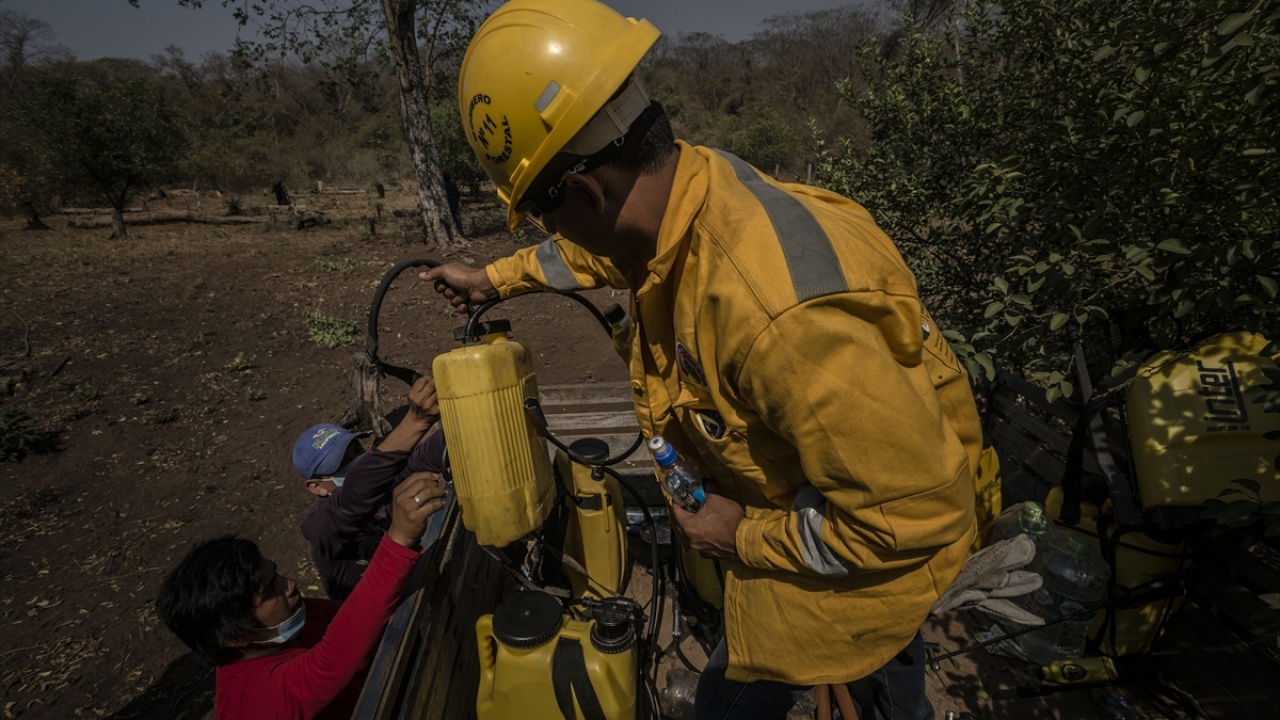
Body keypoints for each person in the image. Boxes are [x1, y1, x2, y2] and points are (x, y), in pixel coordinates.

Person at [421, 1, 982, 719]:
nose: (553, 233)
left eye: (543, 212)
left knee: (783, 697)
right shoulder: (690, 192)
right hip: (817, 509)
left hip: (862, 570)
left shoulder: (776, 315)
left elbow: (910, 521)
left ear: (588, 189)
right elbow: (588, 251)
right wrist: (493, 278)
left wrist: (737, 533)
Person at [155, 472, 447, 720]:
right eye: (270, 590)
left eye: (276, 574)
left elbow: (354, 622)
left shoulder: (292, 615)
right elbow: (331, 660)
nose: (290, 584)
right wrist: (398, 541)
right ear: (237, 637)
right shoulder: (255, 702)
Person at [294, 375, 445, 600]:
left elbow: (420, 459)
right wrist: (415, 421)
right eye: (341, 464)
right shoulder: (322, 526)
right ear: (316, 487)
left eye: (356, 451)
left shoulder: (381, 481)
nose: (356, 462)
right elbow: (354, 496)